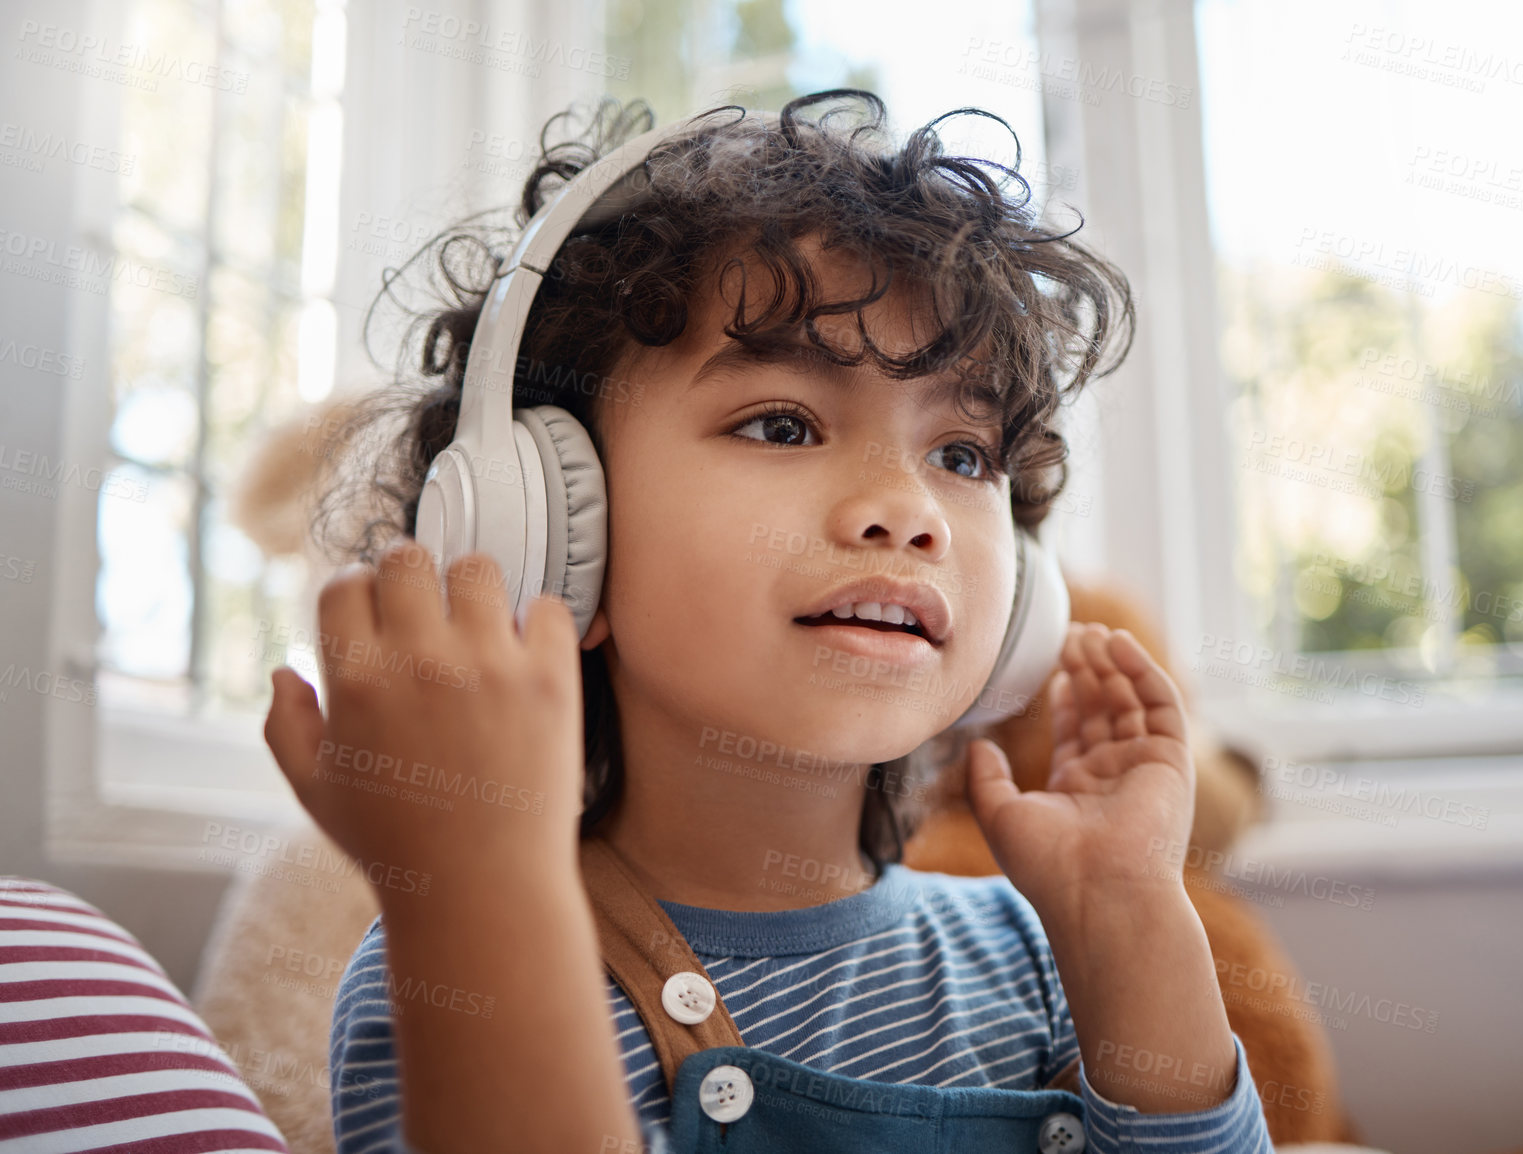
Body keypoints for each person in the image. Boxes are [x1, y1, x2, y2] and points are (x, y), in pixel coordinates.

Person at [262, 89, 1277, 1153]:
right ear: (555, 533)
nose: (909, 509)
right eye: (785, 424)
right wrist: (477, 892)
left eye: (964, 455)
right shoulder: (451, 949)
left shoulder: (1033, 950)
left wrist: (1128, 913)